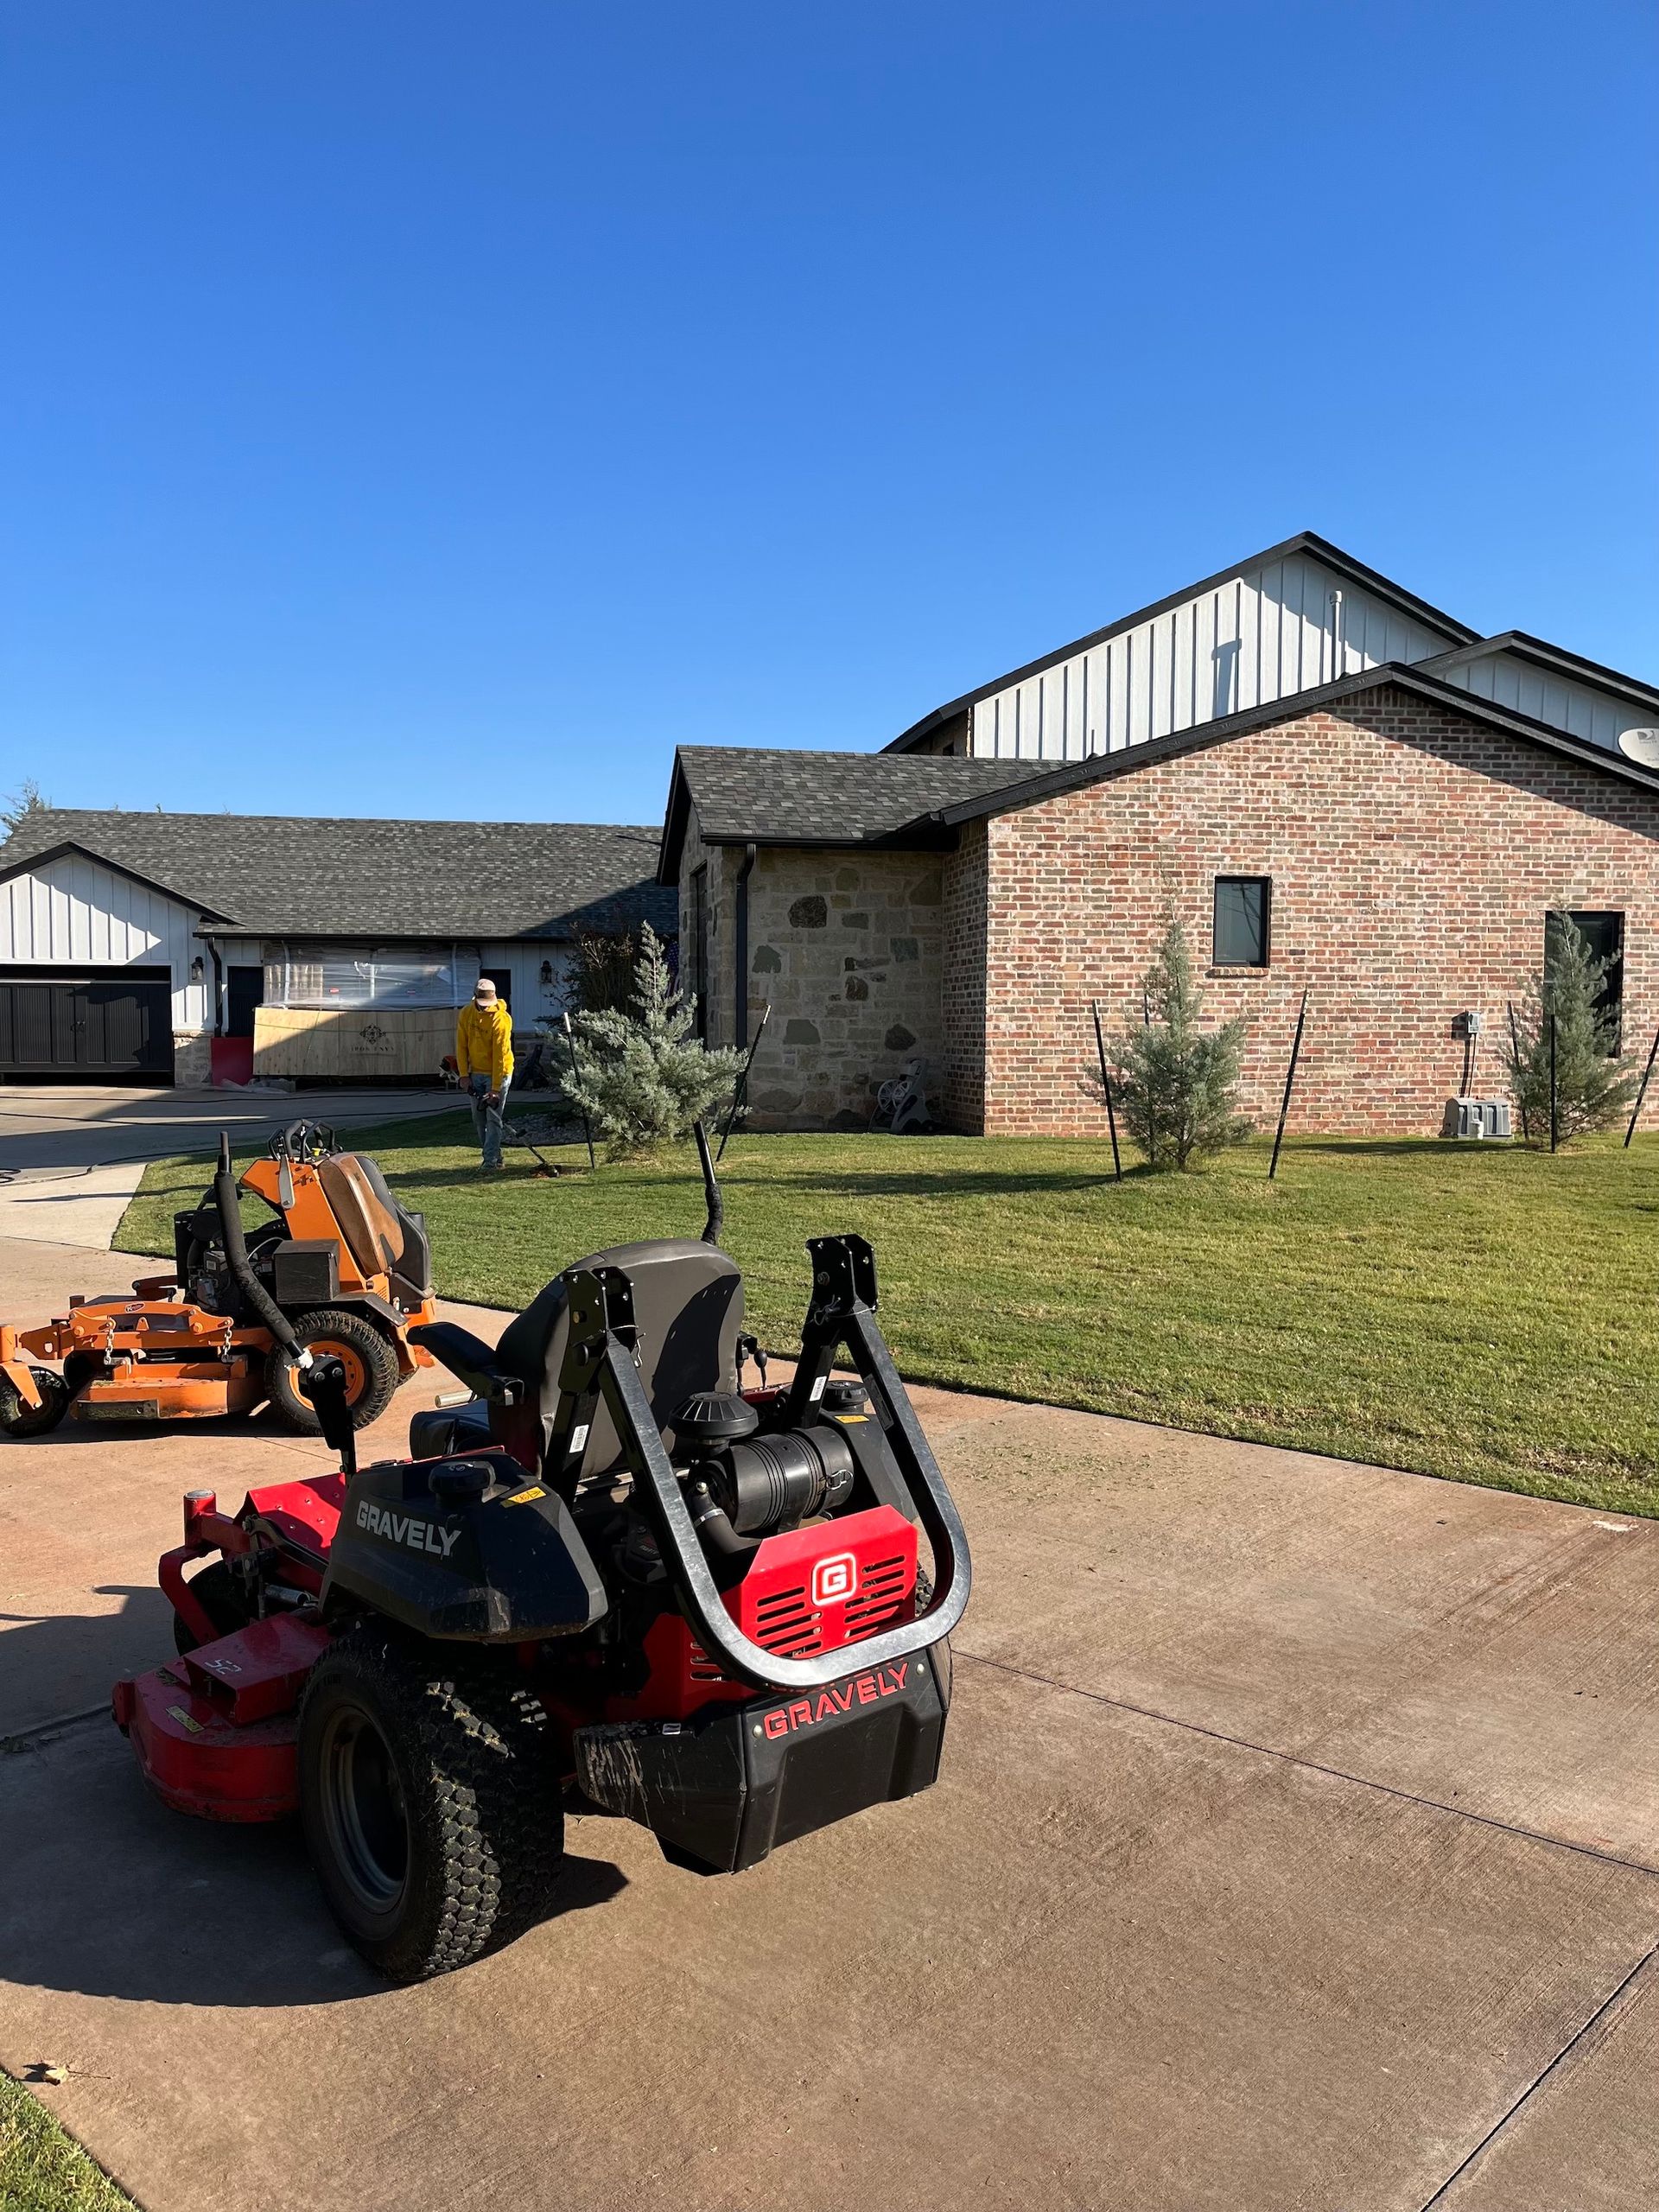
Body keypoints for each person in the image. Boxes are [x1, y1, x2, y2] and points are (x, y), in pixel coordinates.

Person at [455, 977, 514, 1171]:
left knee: (493, 1118)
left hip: (500, 1073)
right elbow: (461, 1046)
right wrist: (464, 1075)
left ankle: (489, 1162)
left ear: (495, 998)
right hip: (476, 1073)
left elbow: (500, 1056)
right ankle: (496, 1157)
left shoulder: (502, 1020)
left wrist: (496, 1089)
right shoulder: (466, 1013)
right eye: (481, 1005)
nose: (484, 1008)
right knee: (478, 1118)